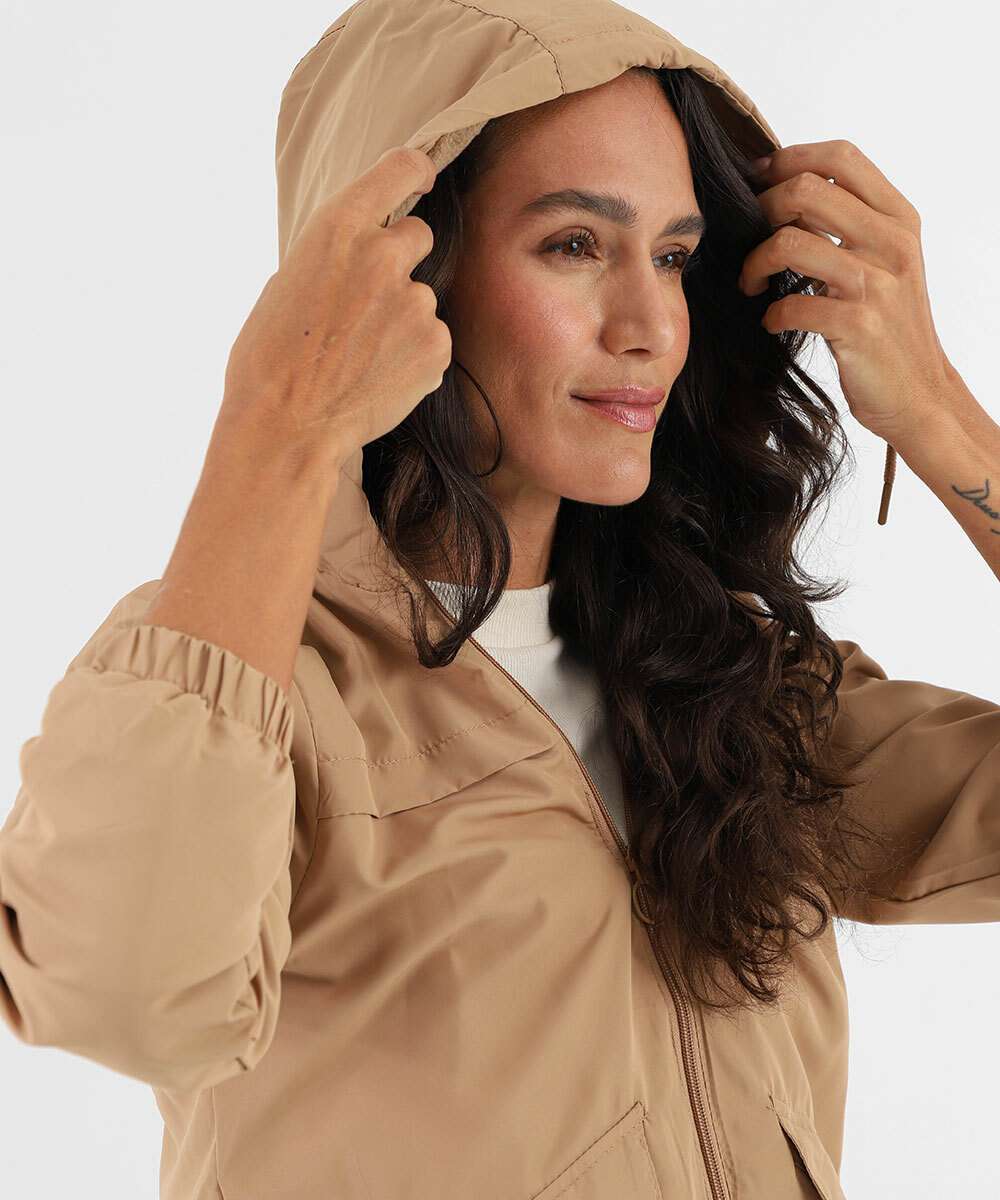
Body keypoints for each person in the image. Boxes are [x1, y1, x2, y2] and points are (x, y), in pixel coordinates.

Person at [2, 2, 998, 1197]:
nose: (651, 327)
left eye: (674, 258)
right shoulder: (246, 673)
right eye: (575, 244)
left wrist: (939, 414)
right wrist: (277, 429)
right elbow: (120, 1001)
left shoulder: (724, 677)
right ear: (401, 272)